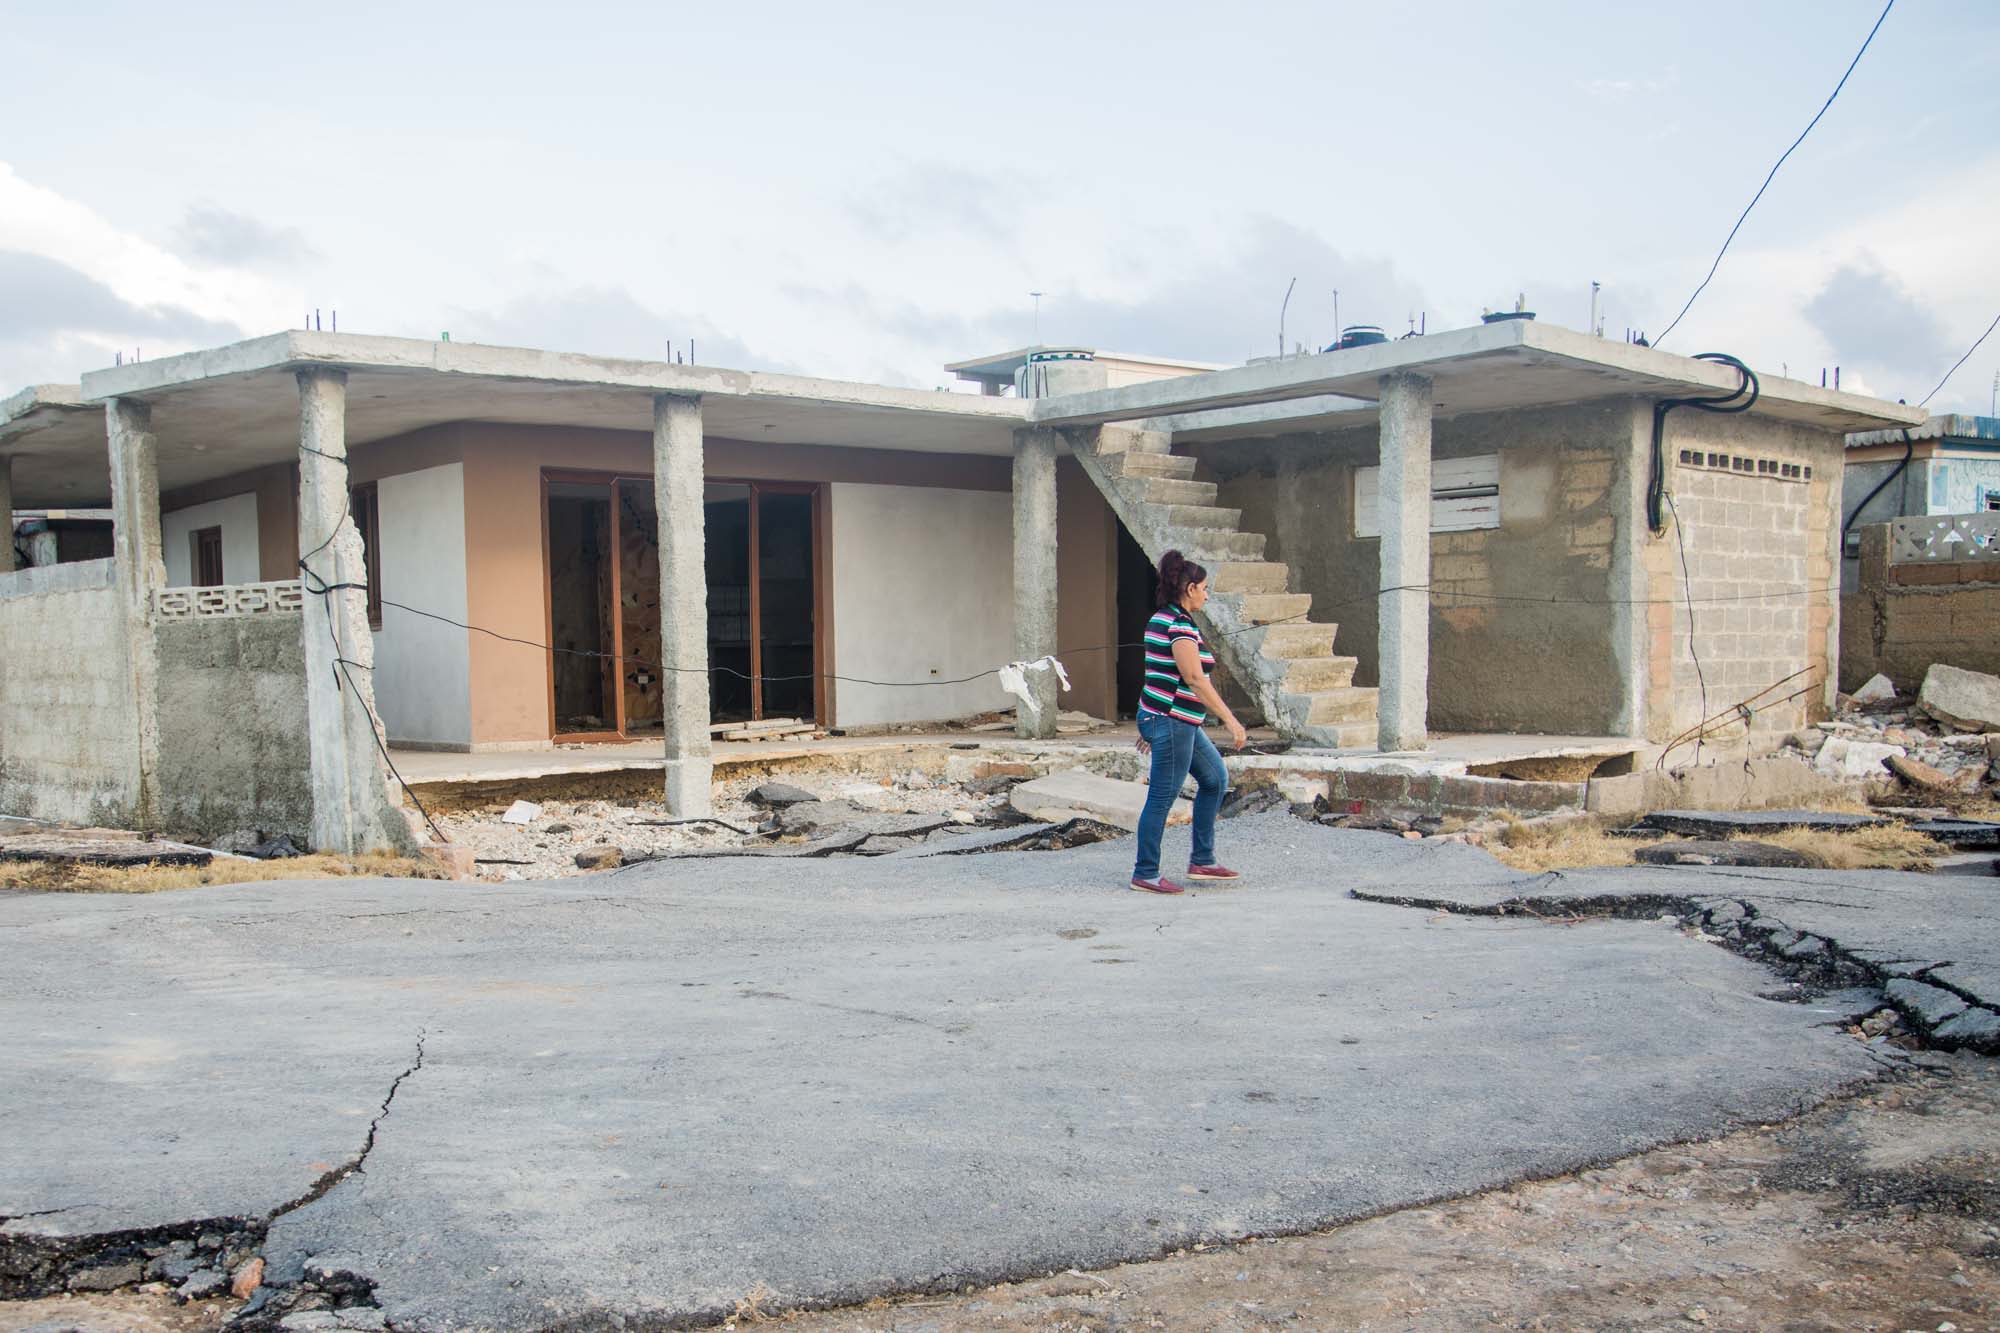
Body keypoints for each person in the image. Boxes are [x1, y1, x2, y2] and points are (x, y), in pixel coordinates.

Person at [1130, 549, 1247, 894]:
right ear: (1191, 588)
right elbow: (1194, 678)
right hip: (1171, 721)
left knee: (1214, 779)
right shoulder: (1177, 625)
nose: (1207, 595)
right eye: (1205, 588)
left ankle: (1203, 861)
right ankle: (1146, 872)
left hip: (1173, 720)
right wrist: (1230, 720)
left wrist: (1148, 722)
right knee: (1162, 796)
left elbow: (1158, 675)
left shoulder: (1163, 619)